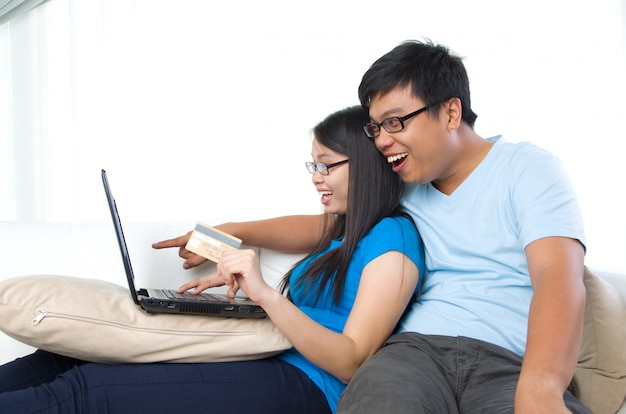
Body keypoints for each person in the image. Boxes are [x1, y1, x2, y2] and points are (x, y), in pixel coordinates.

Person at [155, 40, 589, 414]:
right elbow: (324, 226)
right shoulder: (406, 183)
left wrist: (542, 384)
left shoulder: (526, 168)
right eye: (377, 126)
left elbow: (558, 279)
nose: (382, 140)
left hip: (509, 361)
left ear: (451, 112)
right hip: (414, 354)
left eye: (396, 122)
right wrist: (227, 231)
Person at [0, 106, 424, 414]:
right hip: (255, 353)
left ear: (366, 167)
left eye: (326, 165)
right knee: (72, 353)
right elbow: (266, 230)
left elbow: (352, 362)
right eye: (312, 164)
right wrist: (211, 240)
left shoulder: (395, 239)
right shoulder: (341, 228)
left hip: (307, 386)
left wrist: (265, 296)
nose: (316, 176)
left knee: (86, 391)